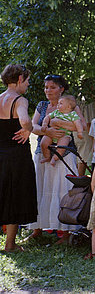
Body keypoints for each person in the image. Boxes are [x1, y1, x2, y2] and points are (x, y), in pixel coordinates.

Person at [26, 74, 86, 243]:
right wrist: (48, 131)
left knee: (62, 191)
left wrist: (58, 124)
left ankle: (65, 232)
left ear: (61, 89)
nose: (48, 91)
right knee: (40, 189)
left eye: (52, 87)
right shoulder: (42, 105)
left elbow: (81, 125)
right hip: (43, 150)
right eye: (46, 87)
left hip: (64, 153)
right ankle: (37, 229)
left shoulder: (71, 105)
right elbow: (33, 126)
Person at [0, 64, 36, 252]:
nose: (28, 84)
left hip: (1, 153)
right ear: (20, 79)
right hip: (17, 155)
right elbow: (25, 120)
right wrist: (27, 128)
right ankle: (10, 245)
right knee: (14, 196)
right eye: (27, 80)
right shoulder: (20, 100)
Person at [39, 95, 84, 165]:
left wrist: (80, 132)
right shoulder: (56, 112)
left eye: (60, 103)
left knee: (61, 147)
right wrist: (44, 125)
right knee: (43, 143)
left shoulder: (72, 114)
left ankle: (54, 158)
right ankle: (47, 157)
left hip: (64, 135)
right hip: (51, 133)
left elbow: (78, 123)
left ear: (68, 106)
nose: (58, 105)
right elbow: (47, 117)